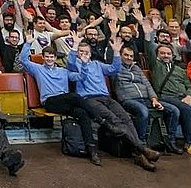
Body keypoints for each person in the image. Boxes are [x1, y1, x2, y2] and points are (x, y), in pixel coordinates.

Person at [67, 42, 159, 171]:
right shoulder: (74, 66)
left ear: (90, 53)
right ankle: (141, 149)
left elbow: (114, 69)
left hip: (106, 97)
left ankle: (138, 153)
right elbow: (75, 69)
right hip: (89, 99)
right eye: (80, 51)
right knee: (114, 120)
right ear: (77, 52)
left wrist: (116, 53)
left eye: (86, 52)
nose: (83, 54)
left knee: (126, 118)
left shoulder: (97, 64)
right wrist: (75, 49)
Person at [21, 45, 100, 165]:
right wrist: (28, 43)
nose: (49, 59)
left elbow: (81, 77)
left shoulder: (63, 71)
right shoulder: (38, 69)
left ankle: (92, 150)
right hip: (50, 102)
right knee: (74, 96)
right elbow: (23, 60)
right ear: (43, 57)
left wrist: (84, 65)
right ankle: (98, 118)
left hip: (64, 102)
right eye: (47, 57)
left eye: (51, 57)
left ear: (55, 58)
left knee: (83, 113)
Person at [113, 45, 180, 153]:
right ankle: (141, 144)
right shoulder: (115, 68)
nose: (129, 58)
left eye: (131, 56)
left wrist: (154, 99)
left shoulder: (137, 68)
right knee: (143, 112)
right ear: (120, 56)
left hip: (146, 99)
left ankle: (170, 141)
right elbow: (112, 64)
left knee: (174, 110)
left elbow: (147, 85)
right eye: (125, 55)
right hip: (129, 99)